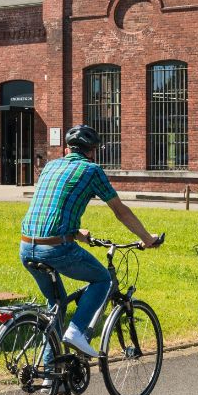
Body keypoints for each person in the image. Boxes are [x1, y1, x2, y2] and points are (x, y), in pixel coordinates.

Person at [19, 124, 161, 357]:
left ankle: (48, 379)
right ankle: (76, 331)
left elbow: (53, 206)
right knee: (103, 280)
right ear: (93, 151)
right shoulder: (92, 170)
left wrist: (75, 232)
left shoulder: (50, 166)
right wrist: (146, 238)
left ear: (67, 149)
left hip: (27, 246)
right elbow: (120, 211)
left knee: (57, 306)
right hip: (56, 249)